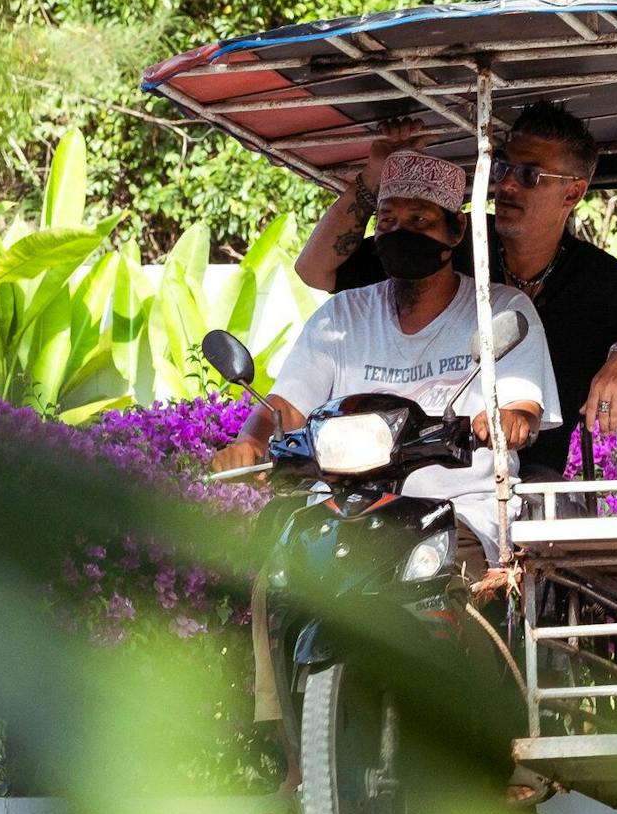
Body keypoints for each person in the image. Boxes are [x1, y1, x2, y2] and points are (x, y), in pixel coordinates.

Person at [294, 101, 617, 477]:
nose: (506, 187)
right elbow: (316, 271)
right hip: (407, 475)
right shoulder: (447, 246)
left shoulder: (600, 281)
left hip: (530, 480)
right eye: (502, 169)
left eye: (528, 175)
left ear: (572, 193)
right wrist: (371, 179)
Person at [211, 151, 559, 574]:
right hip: (340, 514)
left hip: (456, 515)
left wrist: (506, 419)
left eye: (420, 221)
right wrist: (251, 440)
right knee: (275, 579)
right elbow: (285, 405)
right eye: (388, 221)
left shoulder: (499, 311)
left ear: (456, 230)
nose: (400, 233)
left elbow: (523, 406)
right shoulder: (341, 317)